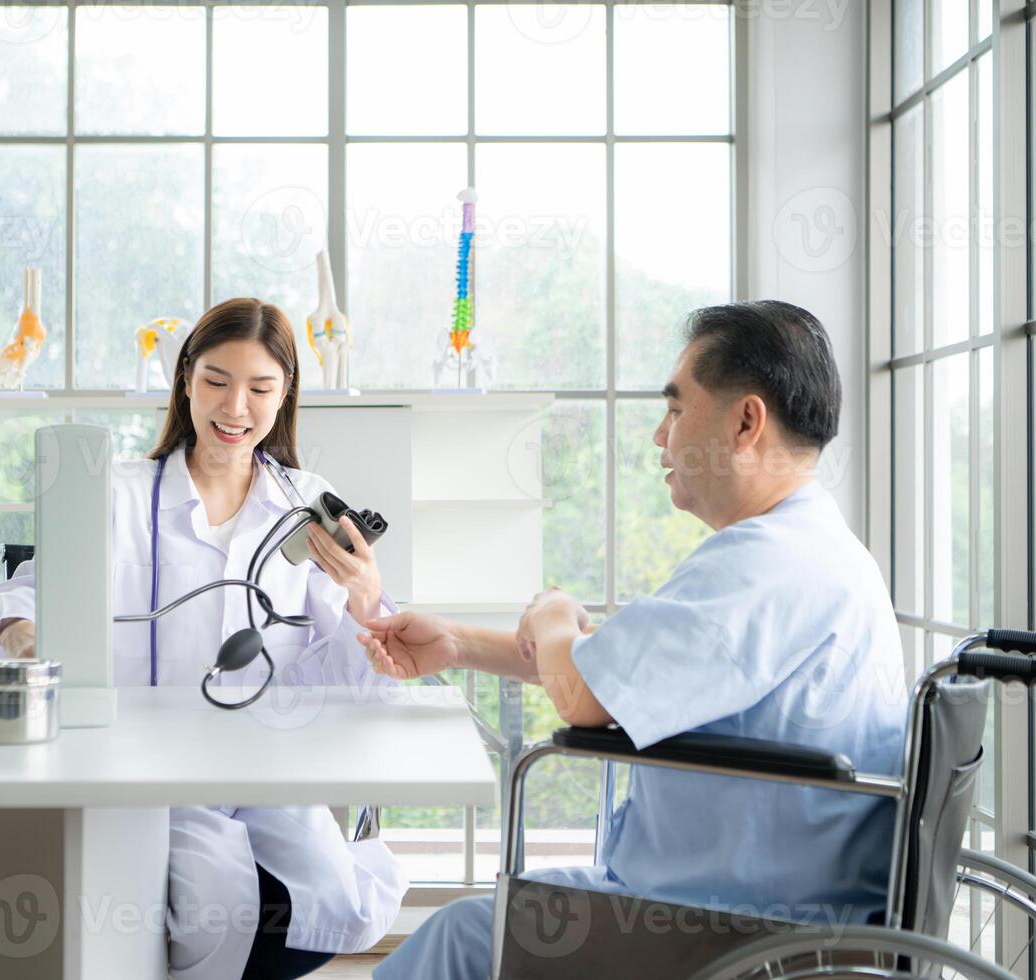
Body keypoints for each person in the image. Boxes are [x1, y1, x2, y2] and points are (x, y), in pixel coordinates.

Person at [359, 301, 908, 979]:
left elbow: (584, 694)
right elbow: (623, 674)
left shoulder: (762, 564)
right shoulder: (811, 548)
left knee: (464, 938)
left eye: (676, 411)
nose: (659, 436)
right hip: (767, 905)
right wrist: (459, 643)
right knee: (494, 914)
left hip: (735, 931)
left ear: (745, 421)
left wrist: (555, 613)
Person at [0, 297, 407, 980]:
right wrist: (25, 630)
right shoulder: (117, 494)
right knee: (204, 914)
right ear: (184, 379)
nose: (236, 408)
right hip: (143, 776)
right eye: (216, 381)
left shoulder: (307, 505)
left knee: (331, 901)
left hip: (267, 774)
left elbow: (360, 679)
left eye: (260, 388)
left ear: (285, 392)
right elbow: (19, 595)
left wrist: (364, 601)